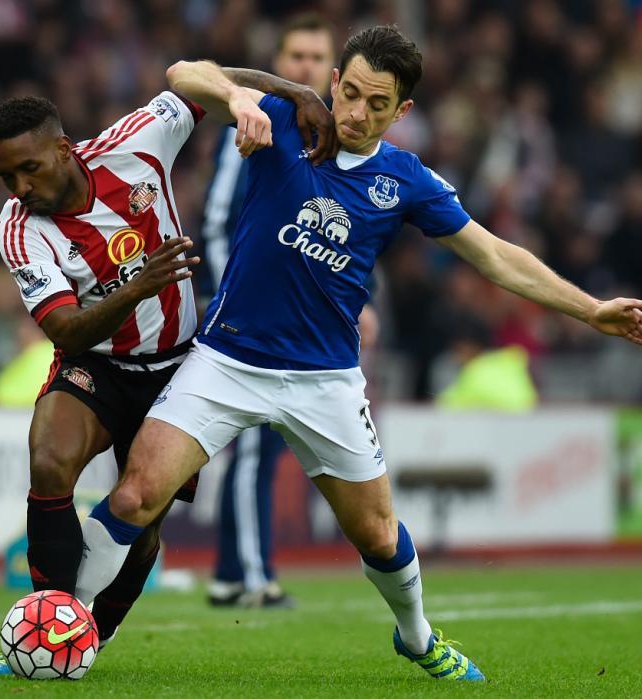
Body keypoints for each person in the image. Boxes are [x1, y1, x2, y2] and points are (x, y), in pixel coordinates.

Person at [72, 25, 642, 681]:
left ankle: (415, 635)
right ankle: (62, 630)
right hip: (227, 361)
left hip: (325, 380)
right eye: (348, 92)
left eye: (375, 103)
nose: (355, 113)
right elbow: (183, 71)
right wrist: (245, 99)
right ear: (333, 83)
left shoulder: (406, 179)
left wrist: (589, 308)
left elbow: (494, 255)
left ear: (400, 111)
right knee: (133, 495)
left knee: (378, 535)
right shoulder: (283, 121)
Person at [0, 90, 208, 674]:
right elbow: (66, 333)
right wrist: (137, 287)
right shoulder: (19, 229)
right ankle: (46, 625)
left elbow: (201, 84)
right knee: (49, 459)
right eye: (7, 177)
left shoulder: (136, 143)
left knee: (143, 525)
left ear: (63, 148)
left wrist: (292, 95)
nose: (19, 187)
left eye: (29, 168)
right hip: (96, 363)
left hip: (177, 370)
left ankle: (84, 641)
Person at [202, 12, 347, 610]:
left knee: (260, 451)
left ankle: (231, 573)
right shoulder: (258, 118)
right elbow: (215, 221)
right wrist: (230, 294)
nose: (306, 68)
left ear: (331, 71)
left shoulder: (329, 137)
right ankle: (252, 578)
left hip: (296, 323)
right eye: (297, 57)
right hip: (247, 314)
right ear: (279, 64)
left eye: (317, 58)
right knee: (257, 447)